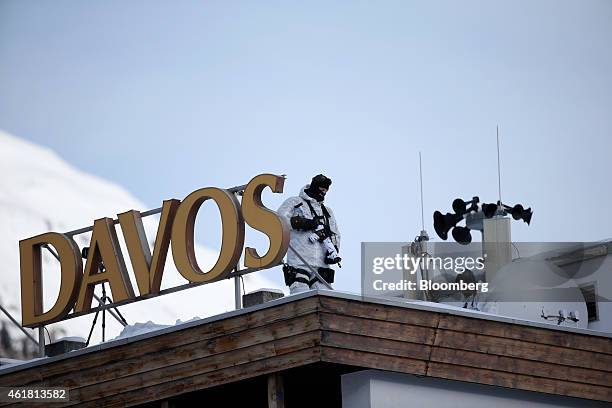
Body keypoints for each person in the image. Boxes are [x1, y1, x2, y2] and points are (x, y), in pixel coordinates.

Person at [277, 174, 341, 294]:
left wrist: (334, 250)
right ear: (315, 186)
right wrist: (302, 223)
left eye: (326, 190)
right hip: (299, 260)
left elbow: (335, 233)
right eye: (321, 189)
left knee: (325, 300)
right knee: (301, 296)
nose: (323, 193)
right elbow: (279, 220)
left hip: (322, 265)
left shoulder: (327, 211)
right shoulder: (295, 202)